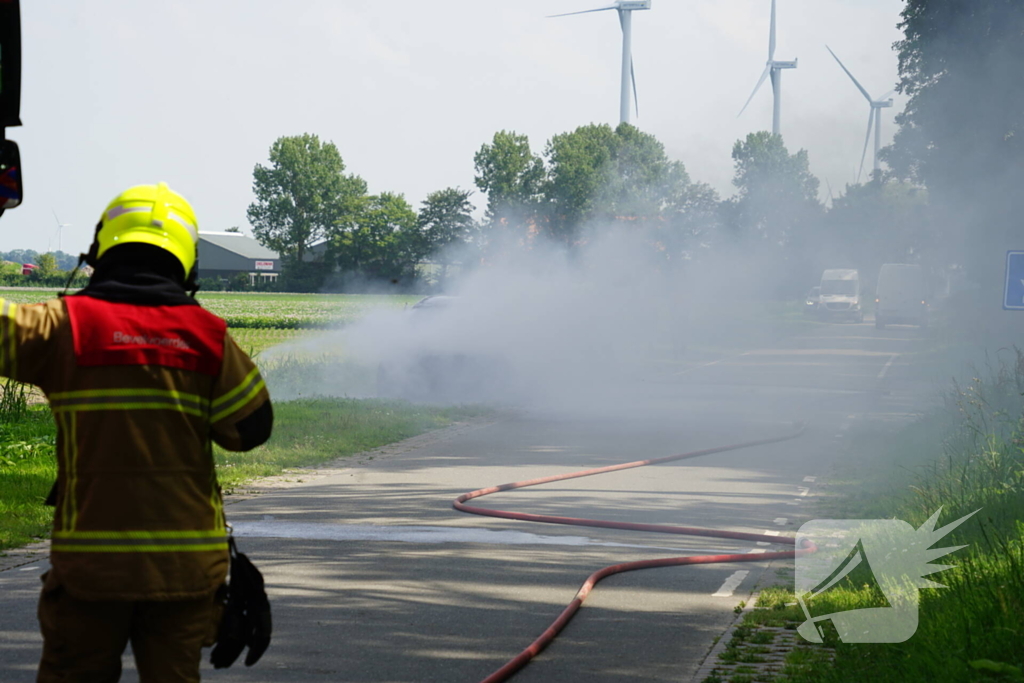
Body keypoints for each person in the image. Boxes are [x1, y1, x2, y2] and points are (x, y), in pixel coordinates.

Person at [0, 182, 273, 682]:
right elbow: (249, 430)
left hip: (90, 573)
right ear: (186, 261)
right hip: (184, 572)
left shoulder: (62, 325)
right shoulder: (208, 338)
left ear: (100, 252)